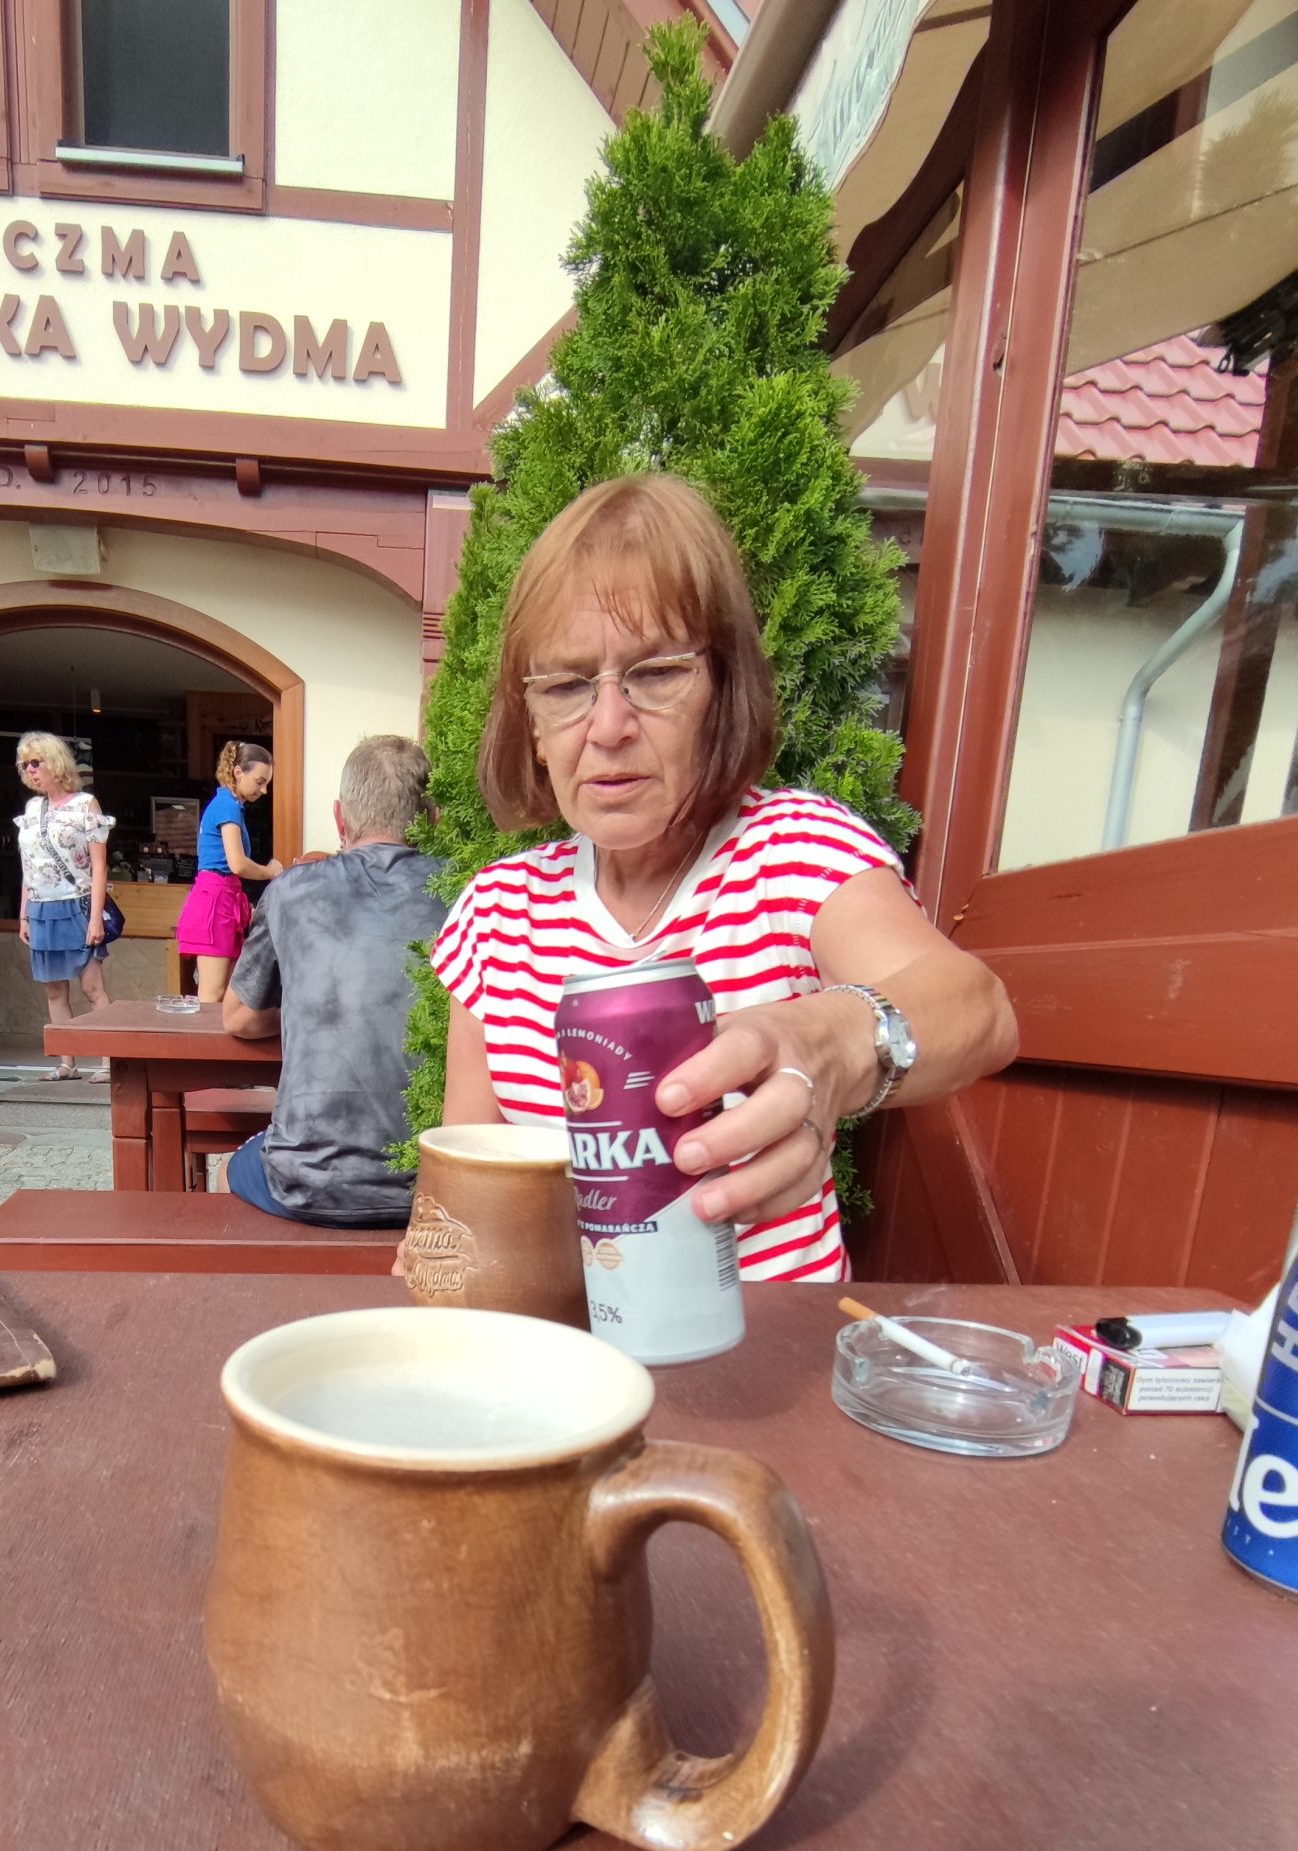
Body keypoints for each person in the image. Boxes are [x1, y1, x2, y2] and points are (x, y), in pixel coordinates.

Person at [429, 475, 1019, 1281]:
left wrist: (829, 1041)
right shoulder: (496, 915)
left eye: (656, 674)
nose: (608, 726)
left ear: (721, 690)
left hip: (777, 1343)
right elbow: (465, 1198)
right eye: (566, 686)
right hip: (570, 1347)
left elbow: (980, 1010)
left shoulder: (791, 852)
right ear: (532, 725)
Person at [222, 734, 447, 1227]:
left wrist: (315, 1005)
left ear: (340, 818)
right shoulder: (467, 892)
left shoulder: (291, 891)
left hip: (305, 1184)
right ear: (433, 820)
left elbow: (238, 1018)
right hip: (438, 1186)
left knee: (229, 1167)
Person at [14, 730, 114, 1080]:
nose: (30, 770)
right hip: (41, 907)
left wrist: (96, 918)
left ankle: (108, 1061)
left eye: (36, 762)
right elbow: (28, 866)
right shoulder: (32, 808)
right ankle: (66, 1062)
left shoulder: (85, 804)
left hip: (77, 904)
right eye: (25, 764)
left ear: (55, 762)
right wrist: (24, 913)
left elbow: (99, 866)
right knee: (54, 989)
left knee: (92, 987)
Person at [180, 741, 282, 1001]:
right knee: (213, 993)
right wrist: (270, 871)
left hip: (222, 898)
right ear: (238, 772)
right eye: (259, 782)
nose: (264, 790)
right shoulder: (227, 805)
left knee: (224, 993)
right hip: (216, 902)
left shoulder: (229, 804)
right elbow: (237, 863)